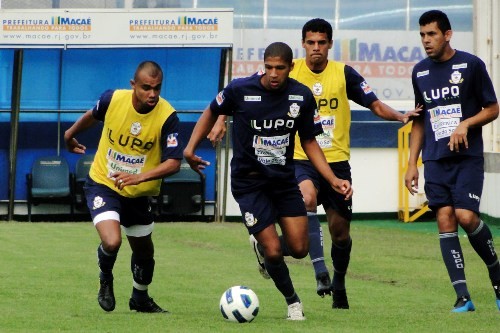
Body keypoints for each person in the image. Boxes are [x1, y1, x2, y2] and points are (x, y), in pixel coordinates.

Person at [210, 18, 420, 309]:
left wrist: (399, 115)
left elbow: (373, 103)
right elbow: (241, 93)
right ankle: (320, 273)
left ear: (330, 44)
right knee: (306, 197)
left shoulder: (343, 74)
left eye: (322, 43)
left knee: (340, 233)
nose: (316, 48)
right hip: (298, 159)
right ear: (303, 44)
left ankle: (338, 283)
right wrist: (220, 120)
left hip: (335, 161)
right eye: (311, 42)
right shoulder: (285, 68)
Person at [183, 42, 353, 320]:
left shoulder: (301, 96)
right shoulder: (240, 90)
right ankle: (293, 303)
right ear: (264, 65)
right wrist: (190, 148)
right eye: (269, 67)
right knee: (274, 251)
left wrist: (333, 179)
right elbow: (212, 110)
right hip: (249, 184)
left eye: (280, 68)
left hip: (284, 181)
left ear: (291, 67)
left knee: (300, 248)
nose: (274, 73)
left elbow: (309, 140)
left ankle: (262, 245)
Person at [64, 61, 183, 313]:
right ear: (133, 85)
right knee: (112, 241)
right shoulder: (113, 99)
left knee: (145, 254)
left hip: (138, 193)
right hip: (103, 183)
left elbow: (173, 163)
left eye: (157, 88)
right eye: (146, 88)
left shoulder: (168, 117)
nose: (152, 94)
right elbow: (92, 115)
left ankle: (140, 299)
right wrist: (69, 134)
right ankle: (105, 278)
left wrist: (139, 178)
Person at [405, 10, 500, 313]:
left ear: (447, 35)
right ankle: (463, 297)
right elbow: (419, 122)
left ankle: (497, 278)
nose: (426, 40)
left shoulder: (471, 65)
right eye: (422, 35)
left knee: (466, 216)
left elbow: (493, 108)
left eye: (431, 34)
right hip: (435, 160)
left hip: (466, 158)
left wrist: (466, 124)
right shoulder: (419, 72)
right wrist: (411, 163)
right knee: (445, 219)